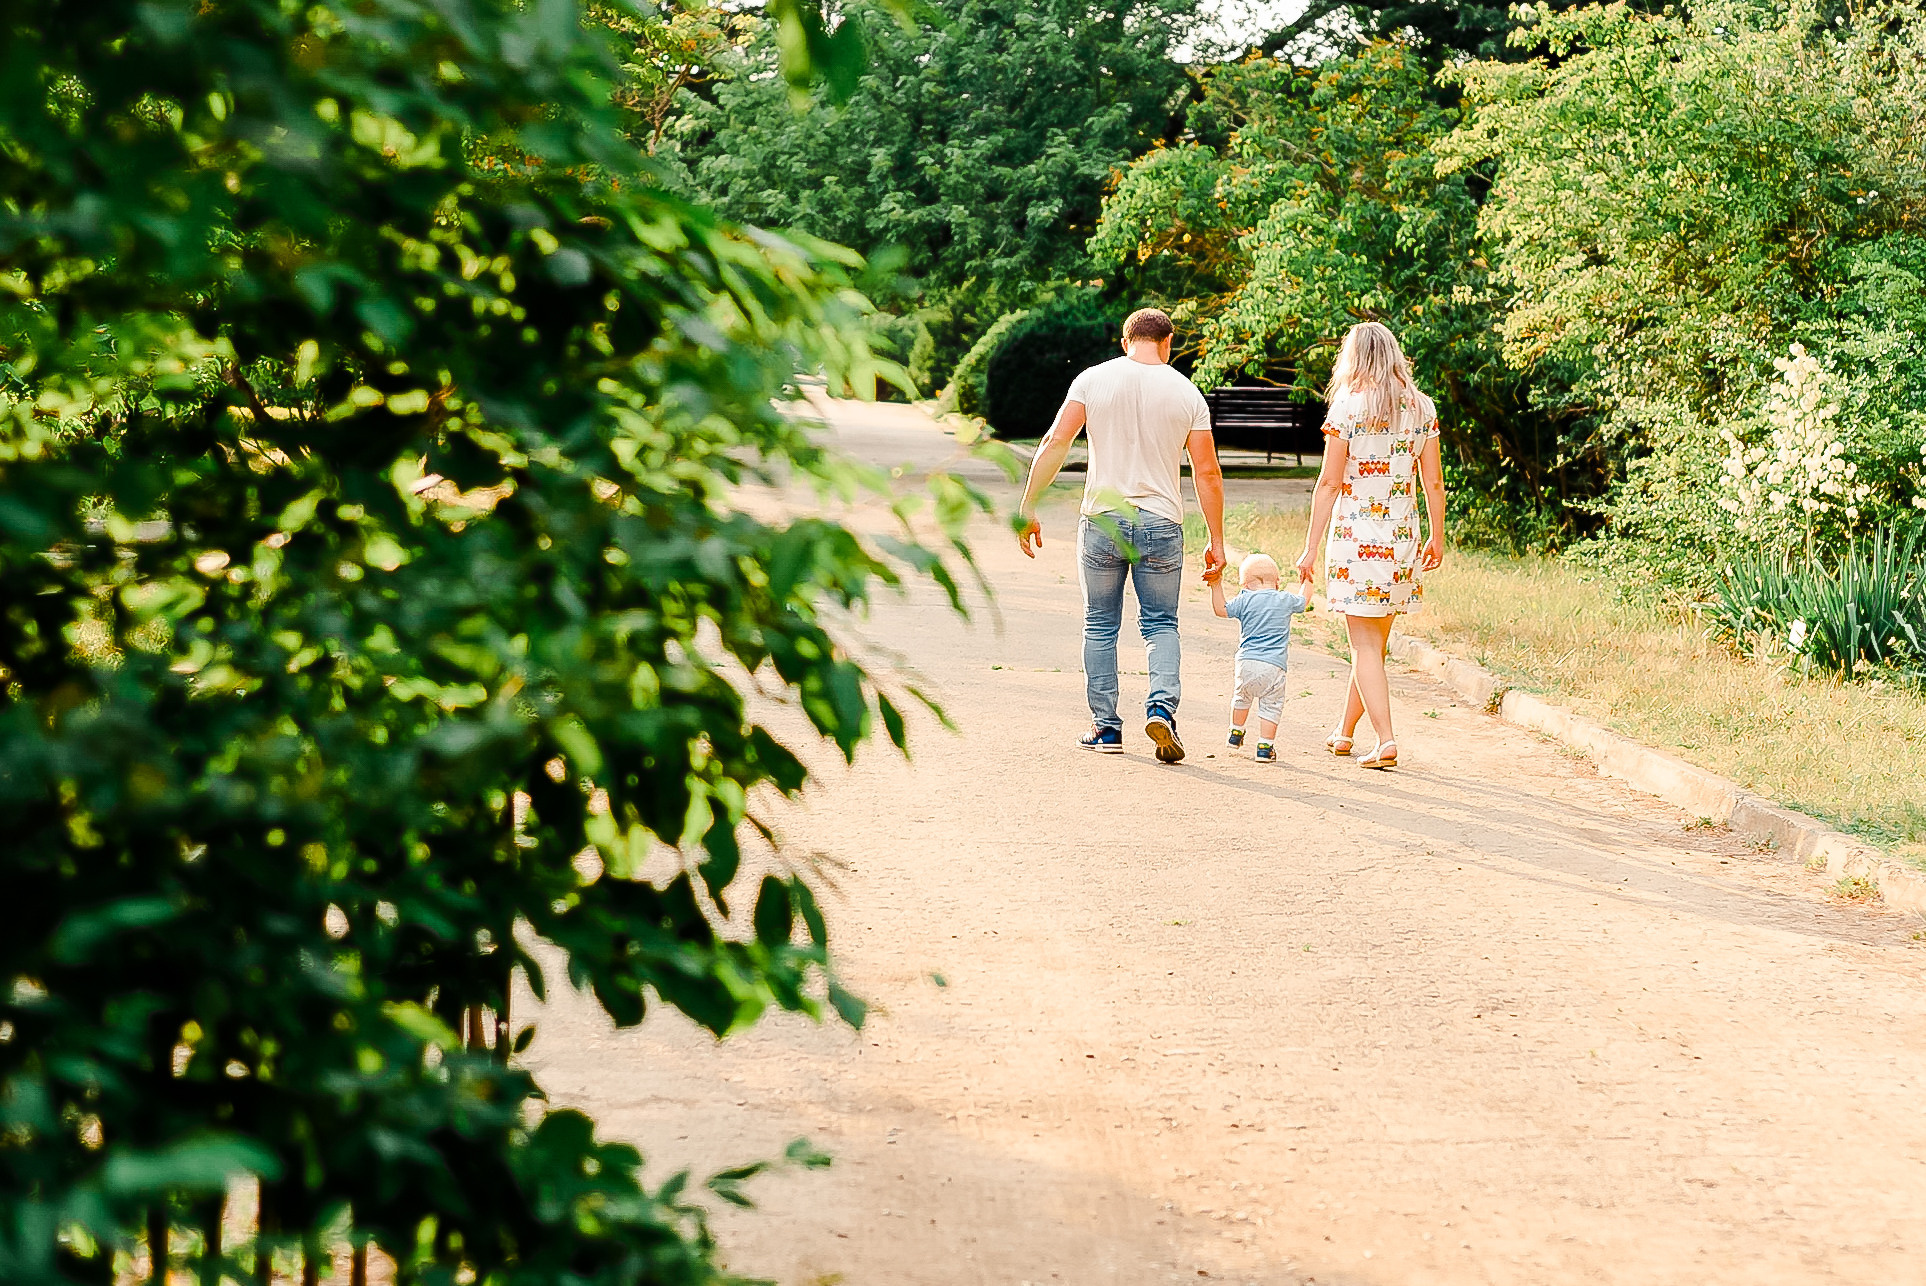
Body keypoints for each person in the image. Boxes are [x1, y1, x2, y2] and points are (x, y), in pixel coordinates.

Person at [1016, 307, 1227, 763]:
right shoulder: (1186, 392)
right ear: (1168, 343)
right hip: (1161, 522)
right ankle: (1161, 710)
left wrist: (1028, 504)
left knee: (1099, 624)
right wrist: (1217, 539)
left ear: (1124, 340)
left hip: (1104, 519)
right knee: (1161, 624)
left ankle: (1106, 728)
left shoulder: (1092, 381)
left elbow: (1056, 441)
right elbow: (1206, 471)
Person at [1295, 322, 1447, 770]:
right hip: (1401, 539)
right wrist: (1437, 536)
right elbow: (1433, 481)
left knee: (1363, 644)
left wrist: (1309, 548)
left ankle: (1385, 741)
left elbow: (1328, 483)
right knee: (1372, 646)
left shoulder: (1347, 406)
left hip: (1357, 540)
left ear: (1355, 357)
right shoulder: (1423, 407)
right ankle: (1344, 733)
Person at [1206, 552, 1311, 764]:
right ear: (1278, 583)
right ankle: (1265, 747)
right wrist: (1307, 580)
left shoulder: (1244, 599)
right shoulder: (1284, 599)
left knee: (1241, 697)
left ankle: (1235, 732)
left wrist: (1216, 584)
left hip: (1246, 664)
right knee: (1271, 705)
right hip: (1273, 667)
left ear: (1244, 584)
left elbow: (1221, 610)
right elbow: (1304, 602)